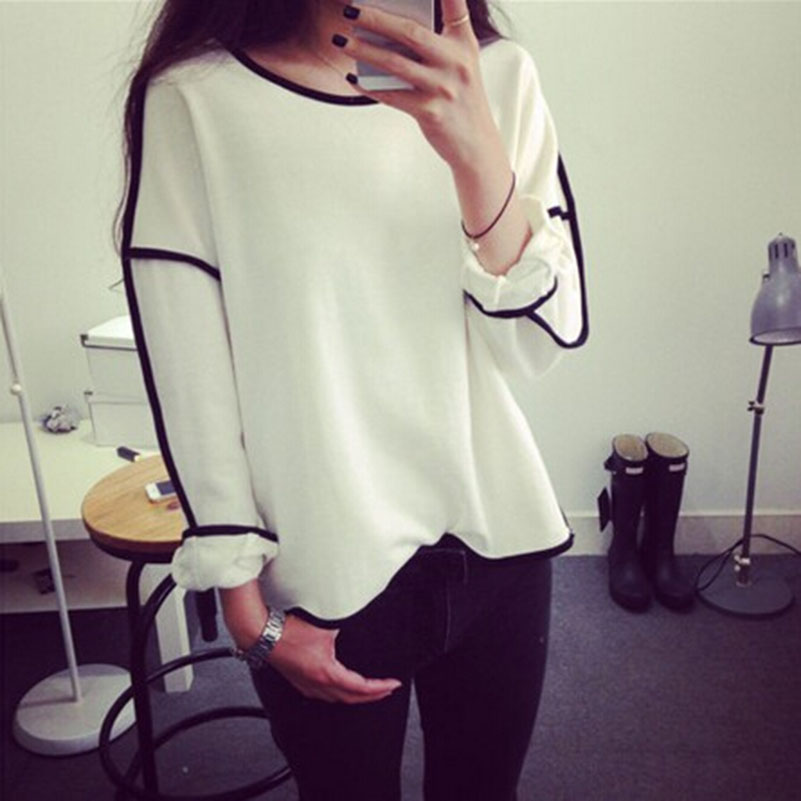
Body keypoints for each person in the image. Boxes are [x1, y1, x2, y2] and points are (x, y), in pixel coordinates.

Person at [116, 1, 588, 798]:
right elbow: (191, 371)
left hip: (497, 548)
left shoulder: (498, 79)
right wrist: (246, 609)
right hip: (323, 572)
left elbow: (535, 344)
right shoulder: (195, 99)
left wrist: (475, 152)